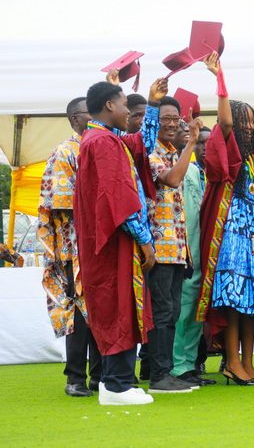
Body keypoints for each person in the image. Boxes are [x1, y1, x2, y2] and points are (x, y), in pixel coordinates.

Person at [74, 77, 167, 405]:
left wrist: (154, 103)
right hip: (115, 241)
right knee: (119, 307)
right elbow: (119, 198)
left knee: (120, 307)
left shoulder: (104, 139)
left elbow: (144, 144)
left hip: (110, 241)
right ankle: (116, 385)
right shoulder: (102, 143)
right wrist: (144, 240)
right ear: (110, 105)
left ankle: (116, 383)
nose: (130, 111)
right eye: (126, 104)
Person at [195, 53, 254, 386]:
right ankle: (230, 361)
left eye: (250, 121)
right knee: (233, 298)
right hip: (231, 230)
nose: (247, 127)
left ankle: (247, 361)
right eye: (243, 122)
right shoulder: (228, 151)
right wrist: (220, 78)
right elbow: (225, 124)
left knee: (253, 300)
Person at [37, 96, 100, 397]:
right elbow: (60, 203)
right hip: (75, 246)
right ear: (76, 119)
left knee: (103, 310)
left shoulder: (105, 144)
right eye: (91, 112)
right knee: (78, 313)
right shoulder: (65, 151)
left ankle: (102, 377)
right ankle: (75, 377)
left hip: (105, 244)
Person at [145, 96, 206, 393]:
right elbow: (171, 180)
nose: (171, 124)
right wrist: (191, 144)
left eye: (175, 119)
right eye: (165, 118)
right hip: (158, 247)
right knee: (162, 312)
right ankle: (159, 375)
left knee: (171, 313)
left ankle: (165, 372)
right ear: (152, 121)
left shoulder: (171, 153)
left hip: (178, 249)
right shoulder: (149, 153)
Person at [169, 118, 214, 386]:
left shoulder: (197, 172)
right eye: (184, 133)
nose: (189, 137)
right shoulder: (173, 166)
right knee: (182, 310)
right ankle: (177, 367)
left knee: (196, 310)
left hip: (199, 251)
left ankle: (189, 364)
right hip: (180, 250)